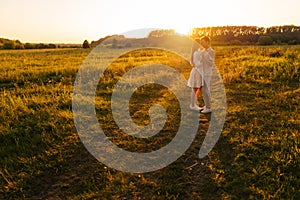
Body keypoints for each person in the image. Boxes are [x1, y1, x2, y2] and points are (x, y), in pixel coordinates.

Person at [199, 36, 215, 113]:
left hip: (207, 73)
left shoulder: (211, 51)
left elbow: (211, 63)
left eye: (203, 42)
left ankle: (209, 108)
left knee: (206, 90)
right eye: (201, 43)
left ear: (208, 42)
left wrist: (204, 56)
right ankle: (206, 105)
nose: (201, 44)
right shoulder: (203, 51)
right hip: (202, 72)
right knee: (203, 90)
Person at [187, 39, 203, 111]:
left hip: (198, 72)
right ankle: (192, 105)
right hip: (197, 72)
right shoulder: (196, 53)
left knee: (198, 88)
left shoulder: (197, 52)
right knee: (195, 88)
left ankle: (194, 103)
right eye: (200, 43)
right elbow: (197, 64)